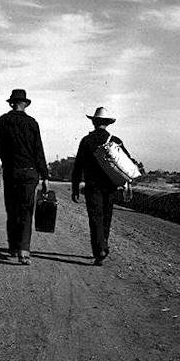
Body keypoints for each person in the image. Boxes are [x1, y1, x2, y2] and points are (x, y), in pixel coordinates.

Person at [0, 89, 48, 265]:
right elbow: (39, 151)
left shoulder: (2, 121)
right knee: (26, 210)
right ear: (25, 104)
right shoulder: (32, 123)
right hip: (30, 172)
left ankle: (14, 247)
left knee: (12, 210)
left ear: (11, 103)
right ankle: (24, 250)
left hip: (11, 172)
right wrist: (45, 175)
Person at [71, 107, 135, 266]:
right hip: (110, 186)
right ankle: (103, 244)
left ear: (93, 122)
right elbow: (126, 162)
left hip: (93, 186)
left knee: (95, 218)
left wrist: (75, 187)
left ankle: (100, 249)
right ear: (107, 123)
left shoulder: (86, 141)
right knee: (106, 217)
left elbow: (78, 165)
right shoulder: (115, 140)